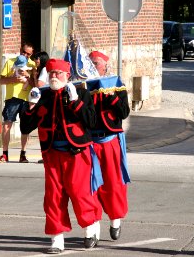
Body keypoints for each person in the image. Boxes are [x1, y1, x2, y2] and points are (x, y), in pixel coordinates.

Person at [20, 59, 102, 254]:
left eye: (58, 73)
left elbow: (91, 121)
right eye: (51, 73)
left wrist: (76, 102)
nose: (54, 76)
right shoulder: (43, 95)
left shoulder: (81, 93)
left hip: (77, 153)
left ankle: (91, 228)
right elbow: (25, 127)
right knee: (53, 198)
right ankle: (57, 239)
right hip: (52, 155)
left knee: (80, 193)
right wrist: (30, 106)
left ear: (67, 75)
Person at [88, 51, 131, 241]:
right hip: (89, 142)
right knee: (91, 186)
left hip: (109, 140)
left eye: (96, 63)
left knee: (113, 184)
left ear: (105, 65)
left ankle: (115, 219)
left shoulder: (116, 84)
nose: (93, 66)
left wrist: (110, 96)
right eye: (90, 63)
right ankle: (93, 225)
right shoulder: (84, 86)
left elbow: (123, 112)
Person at [0, 42, 35, 163]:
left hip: (27, 98)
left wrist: (28, 76)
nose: (25, 55)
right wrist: (13, 79)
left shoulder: (32, 65)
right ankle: (5, 154)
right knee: (7, 124)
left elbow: (36, 84)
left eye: (28, 54)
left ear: (31, 55)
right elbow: (1, 80)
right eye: (23, 52)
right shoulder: (11, 62)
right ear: (20, 50)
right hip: (12, 98)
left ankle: (23, 153)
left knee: (25, 128)